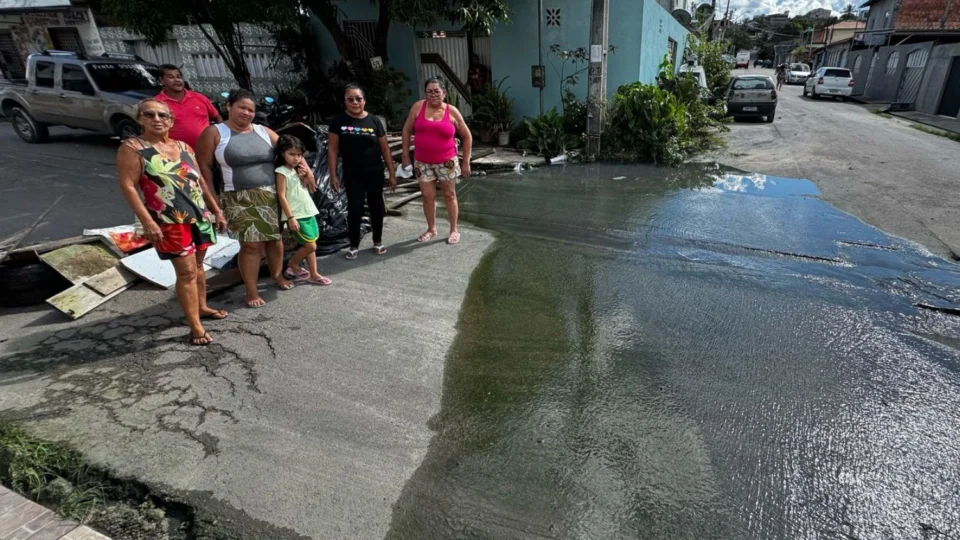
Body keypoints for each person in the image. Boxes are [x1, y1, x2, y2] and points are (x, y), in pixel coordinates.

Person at [116, 98, 228, 346]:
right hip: (169, 220)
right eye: (150, 114)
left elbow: (199, 181)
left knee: (199, 267)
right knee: (186, 272)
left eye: (162, 115)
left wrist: (216, 210)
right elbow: (129, 186)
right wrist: (147, 221)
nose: (157, 119)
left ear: (171, 120)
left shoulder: (184, 147)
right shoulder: (133, 148)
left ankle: (202, 307)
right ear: (140, 119)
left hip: (198, 216)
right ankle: (195, 326)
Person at [196, 89, 306, 308]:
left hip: (273, 195)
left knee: (275, 240)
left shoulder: (264, 131)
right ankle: (251, 290)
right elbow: (204, 169)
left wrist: (306, 170)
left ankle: (277, 276)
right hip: (239, 198)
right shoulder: (215, 133)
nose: (247, 113)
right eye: (242, 108)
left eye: (251, 110)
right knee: (251, 246)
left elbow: (291, 150)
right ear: (229, 107)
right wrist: (212, 200)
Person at [328, 84, 397, 259]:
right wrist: (333, 175)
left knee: (377, 207)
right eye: (350, 99)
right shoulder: (338, 122)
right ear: (345, 101)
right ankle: (353, 245)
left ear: (364, 101)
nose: (355, 102)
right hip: (352, 174)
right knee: (355, 208)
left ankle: (378, 241)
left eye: (358, 99)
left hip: (374, 172)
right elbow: (333, 150)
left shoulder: (374, 121)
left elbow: (385, 149)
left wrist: (392, 173)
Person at [401, 78, 472, 245]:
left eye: (436, 91)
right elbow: (406, 130)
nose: (433, 94)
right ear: (425, 93)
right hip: (422, 162)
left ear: (444, 93)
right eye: (429, 91)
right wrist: (405, 156)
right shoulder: (418, 107)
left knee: (449, 194)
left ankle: (454, 229)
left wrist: (466, 161)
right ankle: (431, 228)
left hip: (446, 162)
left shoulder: (452, 111)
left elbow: (467, 136)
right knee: (427, 196)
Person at [275, 135, 332, 285]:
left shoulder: (297, 170)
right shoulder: (281, 172)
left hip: (308, 211)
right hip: (297, 214)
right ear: (283, 154)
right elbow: (281, 195)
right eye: (291, 154)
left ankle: (314, 274)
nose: (296, 158)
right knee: (310, 245)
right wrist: (290, 217)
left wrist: (305, 176)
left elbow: (307, 189)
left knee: (311, 244)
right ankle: (293, 264)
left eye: (299, 155)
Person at [155, 65, 221, 150]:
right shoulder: (157, 103)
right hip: (178, 154)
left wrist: (218, 138)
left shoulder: (199, 97)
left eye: (179, 77)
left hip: (207, 150)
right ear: (162, 80)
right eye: (171, 77)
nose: (177, 80)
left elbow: (218, 117)